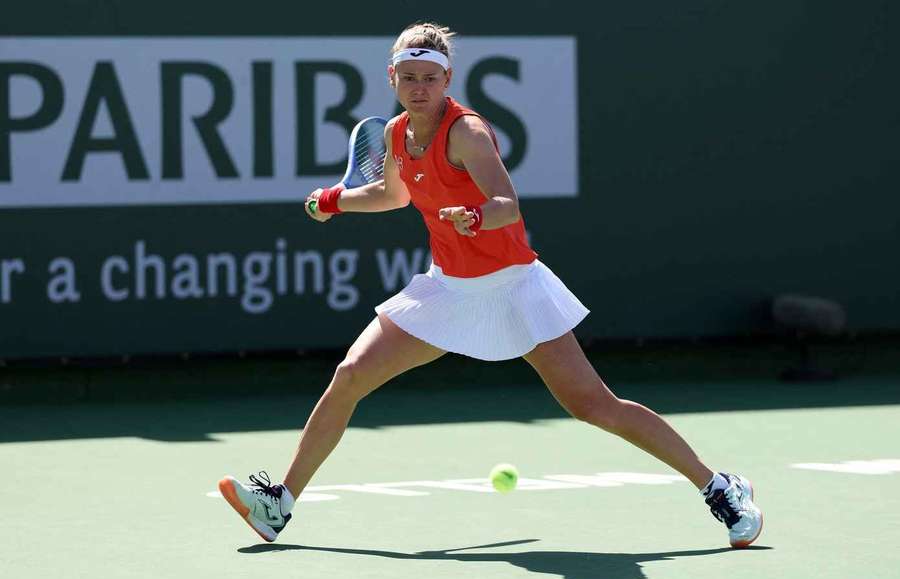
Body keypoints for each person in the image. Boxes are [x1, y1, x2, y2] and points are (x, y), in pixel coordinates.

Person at [218, 22, 762, 548]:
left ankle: (719, 486)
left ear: (447, 80)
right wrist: (334, 200)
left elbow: (507, 204)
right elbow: (393, 195)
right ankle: (280, 502)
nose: (419, 88)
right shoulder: (395, 133)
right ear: (392, 77)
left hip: (513, 288)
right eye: (409, 78)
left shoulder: (467, 132)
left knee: (595, 406)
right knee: (350, 374)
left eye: (430, 79)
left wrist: (475, 216)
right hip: (448, 290)